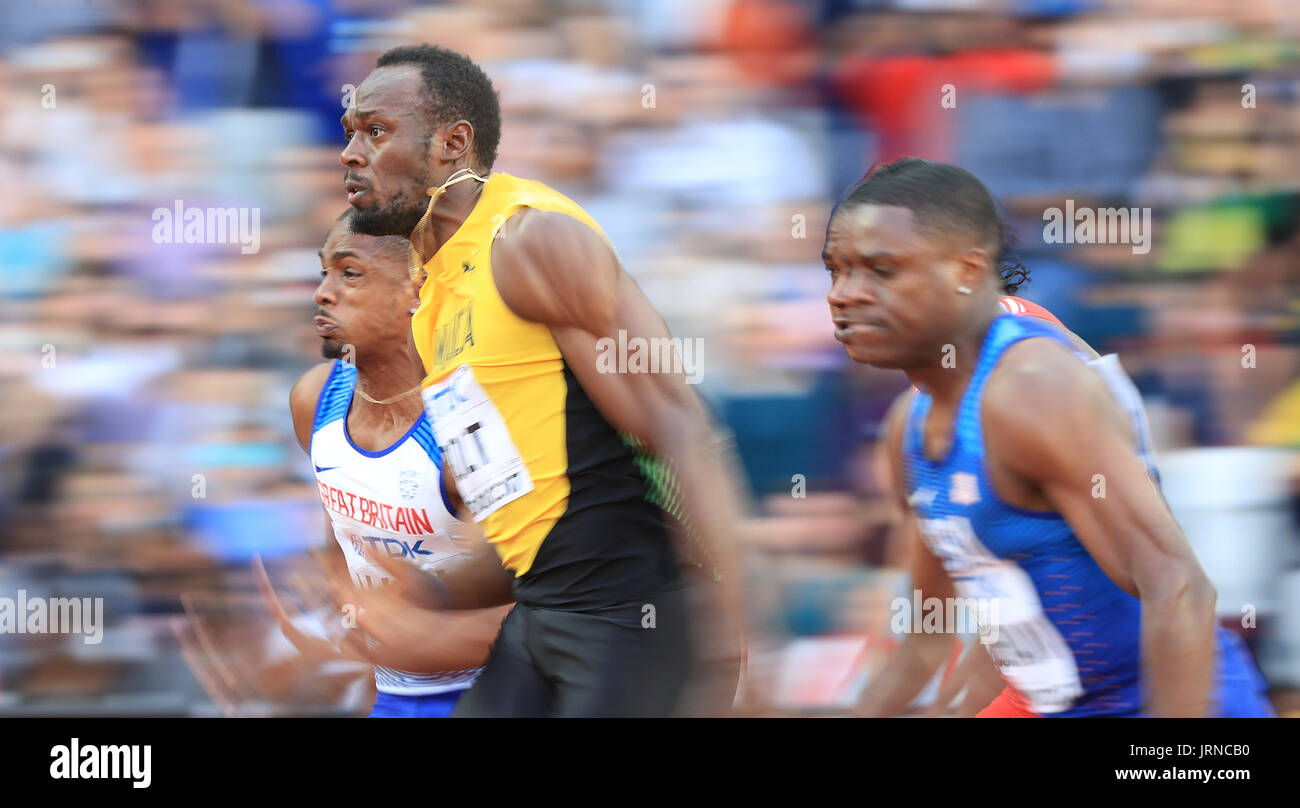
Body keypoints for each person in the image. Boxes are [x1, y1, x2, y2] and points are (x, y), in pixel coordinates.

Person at [339, 44, 744, 717]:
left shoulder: (529, 242)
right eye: (350, 133)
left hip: (631, 615)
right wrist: (421, 592)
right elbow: (535, 520)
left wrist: (738, 639)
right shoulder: (430, 299)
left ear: (452, 143)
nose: (351, 154)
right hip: (545, 612)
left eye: (375, 132)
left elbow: (683, 428)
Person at [824, 157, 1272, 717]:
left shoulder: (1029, 386)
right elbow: (928, 633)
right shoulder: (907, 425)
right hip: (1053, 690)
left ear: (967, 270)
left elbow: (1180, 587)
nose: (843, 295)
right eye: (835, 271)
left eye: (880, 270)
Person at [264, 209, 510, 718]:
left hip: (493, 695)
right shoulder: (313, 398)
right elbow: (343, 536)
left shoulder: (469, 418)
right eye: (324, 272)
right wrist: (341, 631)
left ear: (417, 291)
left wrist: (425, 622)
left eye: (350, 273)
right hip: (396, 697)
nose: (322, 293)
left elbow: (545, 594)